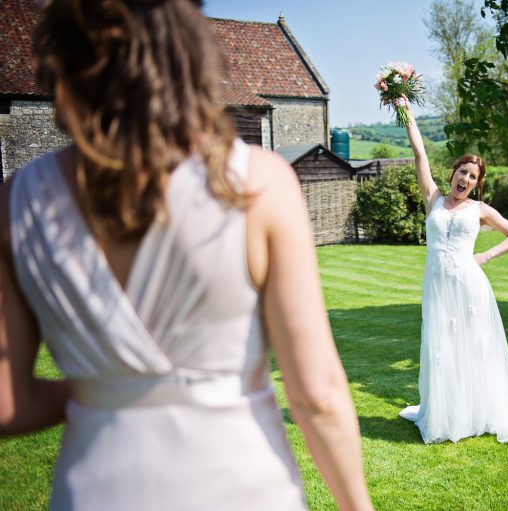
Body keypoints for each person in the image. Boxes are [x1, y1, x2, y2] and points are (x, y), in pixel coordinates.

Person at [0, 1, 374, 510]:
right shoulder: (259, 183)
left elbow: (7, 403)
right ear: (188, 49)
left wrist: (105, 392)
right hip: (241, 486)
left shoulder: (18, 200)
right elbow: (317, 395)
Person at [397, 97, 508, 445]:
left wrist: (485, 256)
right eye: (462, 172)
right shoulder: (433, 199)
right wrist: (404, 109)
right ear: (453, 173)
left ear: (477, 183)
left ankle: (478, 411)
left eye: (472, 176)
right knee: (441, 348)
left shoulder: (480, 209)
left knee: (474, 346)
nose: (465, 178)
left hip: (469, 285)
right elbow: (420, 154)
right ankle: (446, 413)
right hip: (437, 285)